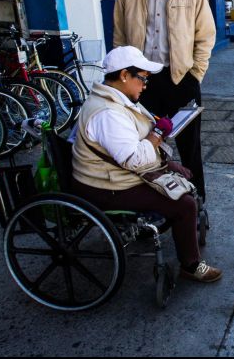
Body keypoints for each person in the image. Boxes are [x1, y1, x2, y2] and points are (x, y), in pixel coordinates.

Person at [71, 46, 222, 282]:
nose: (145, 85)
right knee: (185, 205)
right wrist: (157, 135)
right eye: (141, 78)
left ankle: (175, 238)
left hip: (116, 174)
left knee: (182, 185)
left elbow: (138, 142)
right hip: (107, 186)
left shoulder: (120, 98)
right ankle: (191, 265)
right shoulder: (108, 113)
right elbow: (135, 159)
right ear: (123, 75)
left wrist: (166, 159)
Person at [113, 0, 215, 198]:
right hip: (141, 83)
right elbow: (119, 37)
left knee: (189, 147)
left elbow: (205, 37)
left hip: (181, 80)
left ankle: (196, 202)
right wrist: (123, 81)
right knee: (146, 145)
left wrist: (195, 76)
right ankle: (156, 202)